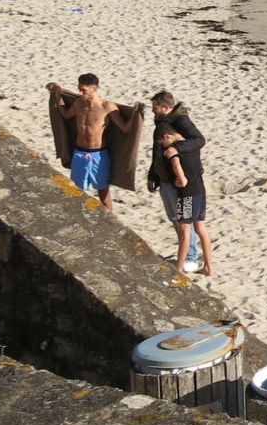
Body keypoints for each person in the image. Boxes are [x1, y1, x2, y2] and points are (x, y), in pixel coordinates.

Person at [47, 74, 143, 208]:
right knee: (77, 192)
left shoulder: (107, 107)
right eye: (79, 89)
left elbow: (125, 128)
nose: (80, 93)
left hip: (99, 155)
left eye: (83, 90)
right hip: (79, 153)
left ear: (94, 89)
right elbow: (65, 115)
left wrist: (137, 113)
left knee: (103, 194)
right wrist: (57, 95)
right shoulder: (78, 103)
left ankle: (111, 225)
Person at [146, 90, 206, 271]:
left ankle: (191, 257)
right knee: (175, 219)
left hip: (181, 183)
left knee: (185, 222)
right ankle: (185, 252)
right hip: (165, 178)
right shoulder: (162, 121)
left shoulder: (180, 121)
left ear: (165, 108)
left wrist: (177, 148)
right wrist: (152, 175)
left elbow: (199, 140)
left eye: (155, 108)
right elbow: (157, 152)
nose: (153, 111)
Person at [155, 106, 213, 277]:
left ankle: (180, 267)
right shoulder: (192, 146)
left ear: (167, 137)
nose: (164, 148)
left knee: (185, 232)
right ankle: (209, 267)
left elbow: (182, 180)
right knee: (201, 228)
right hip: (200, 190)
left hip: (187, 195)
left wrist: (177, 180)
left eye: (163, 144)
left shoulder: (174, 154)